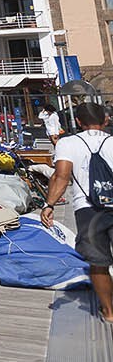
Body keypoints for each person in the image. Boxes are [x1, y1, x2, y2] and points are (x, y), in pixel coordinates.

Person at [42, 102, 113, 324]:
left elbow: (61, 176)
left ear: (79, 122)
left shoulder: (68, 143)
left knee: (98, 262)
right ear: (106, 120)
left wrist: (49, 204)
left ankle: (109, 312)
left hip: (89, 209)